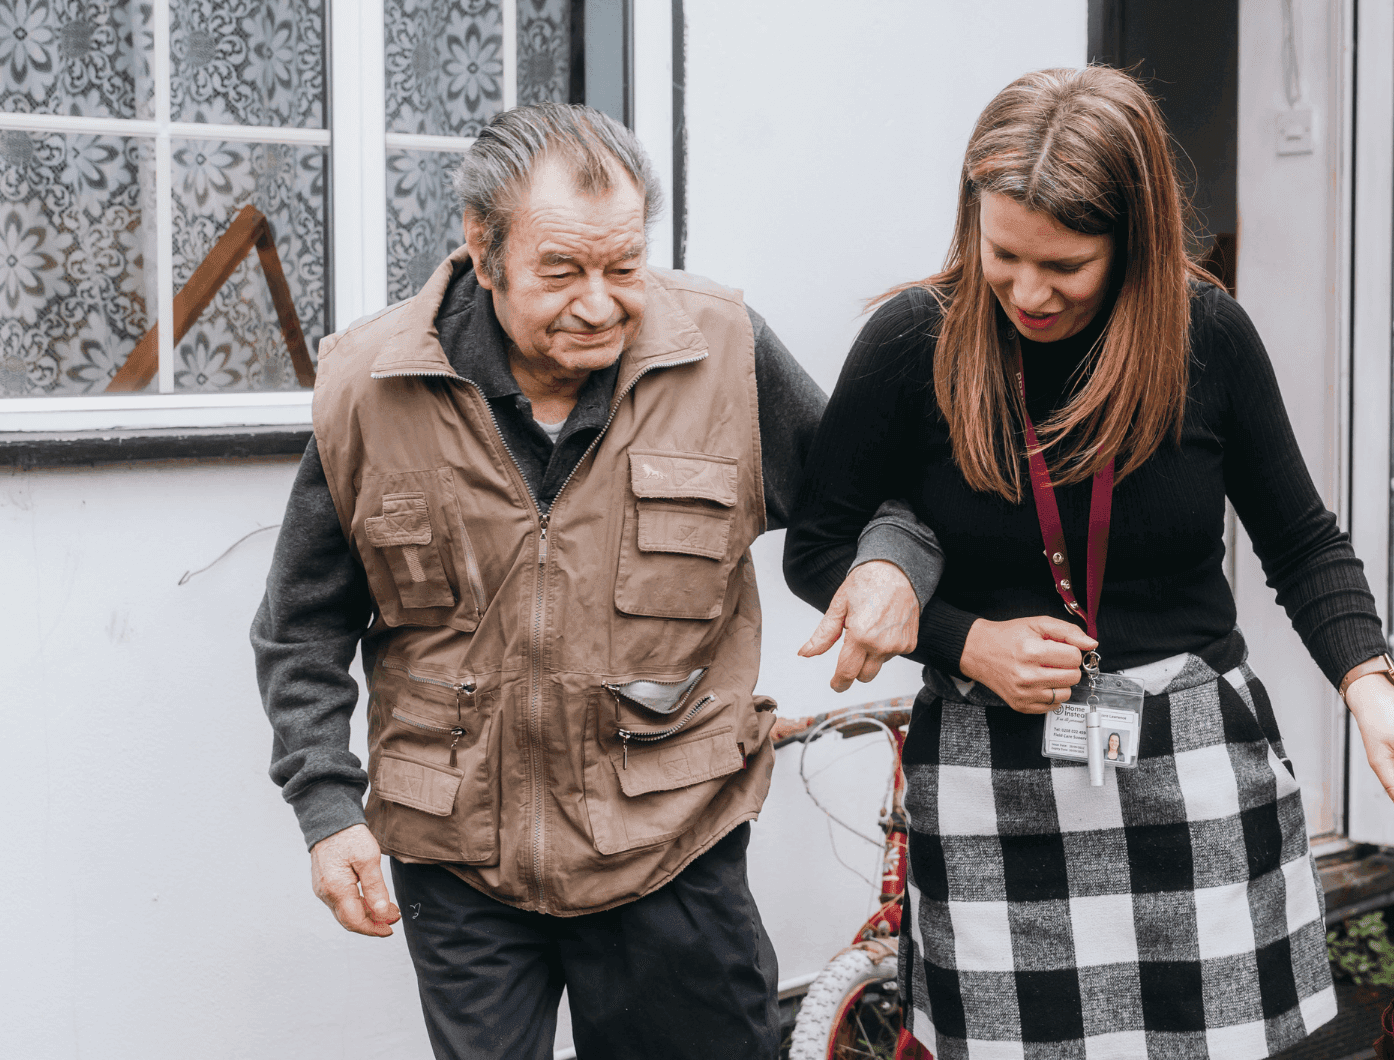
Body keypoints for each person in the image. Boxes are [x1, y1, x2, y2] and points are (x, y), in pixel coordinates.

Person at [252, 103, 928, 1060]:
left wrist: (890, 563)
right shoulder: (371, 386)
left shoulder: (724, 351)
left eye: (624, 267)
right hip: (460, 865)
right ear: (482, 252)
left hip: (672, 851)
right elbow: (300, 627)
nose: (602, 302)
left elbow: (876, 503)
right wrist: (326, 812)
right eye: (561, 272)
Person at [784, 67, 1394, 1059]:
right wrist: (966, 642)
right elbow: (819, 547)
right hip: (990, 769)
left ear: (1133, 243)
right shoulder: (912, 342)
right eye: (1002, 255)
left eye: (1063, 265)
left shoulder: (1207, 339)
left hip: (1195, 762)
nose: (1027, 291)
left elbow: (1299, 538)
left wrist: (1368, 684)